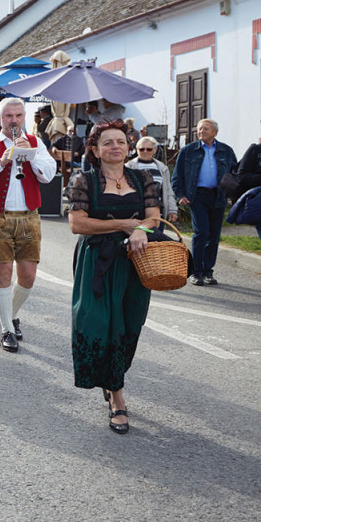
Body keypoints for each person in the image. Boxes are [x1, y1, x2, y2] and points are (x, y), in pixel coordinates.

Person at [64, 119, 164, 435]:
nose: (115, 147)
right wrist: (123, 225)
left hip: (136, 261)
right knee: (97, 324)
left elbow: (154, 218)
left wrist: (139, 230)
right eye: (107, 142)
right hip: (97, 261)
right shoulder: (84, 181)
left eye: (120, 141)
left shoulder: (142, 177)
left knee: (130, 324)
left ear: (128, 145)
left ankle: (113, 377)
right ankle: (116, 396)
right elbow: (78, 224)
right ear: (95, 149)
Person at [0, 97, 56, 353]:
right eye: (9, 116)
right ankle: (6, 328)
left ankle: (11, 314)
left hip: (29, 215)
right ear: (0, 118)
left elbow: (48, 176)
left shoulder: (35, 142)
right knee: (3, 274)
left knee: (28, 276)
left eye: (18, 115)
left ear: (24, 117)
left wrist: (29, 156)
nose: (14, 120)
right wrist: (4, 160)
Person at [171, 118, 239, 286]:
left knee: (214, 235)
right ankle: (197, 271)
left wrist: (234, 195)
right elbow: (177, 176)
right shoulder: (188, 151)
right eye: (199, 129)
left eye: (205, 129)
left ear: (215, 132)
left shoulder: (226, 150)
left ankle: (208, 271)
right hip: (197, 196)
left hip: (218, 196)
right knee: (201, 232)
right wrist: (180, 195)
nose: (201, 131)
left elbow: (235, 174)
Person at [125, 136, 180, 222]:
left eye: (149, 149)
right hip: (135, 215)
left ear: (155, 150)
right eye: (142, 149)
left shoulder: (162, 168)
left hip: (157, 215)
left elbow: (168, 191)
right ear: (136, 149)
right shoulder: (128, 167)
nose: (145, 151)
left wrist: (172, 210)